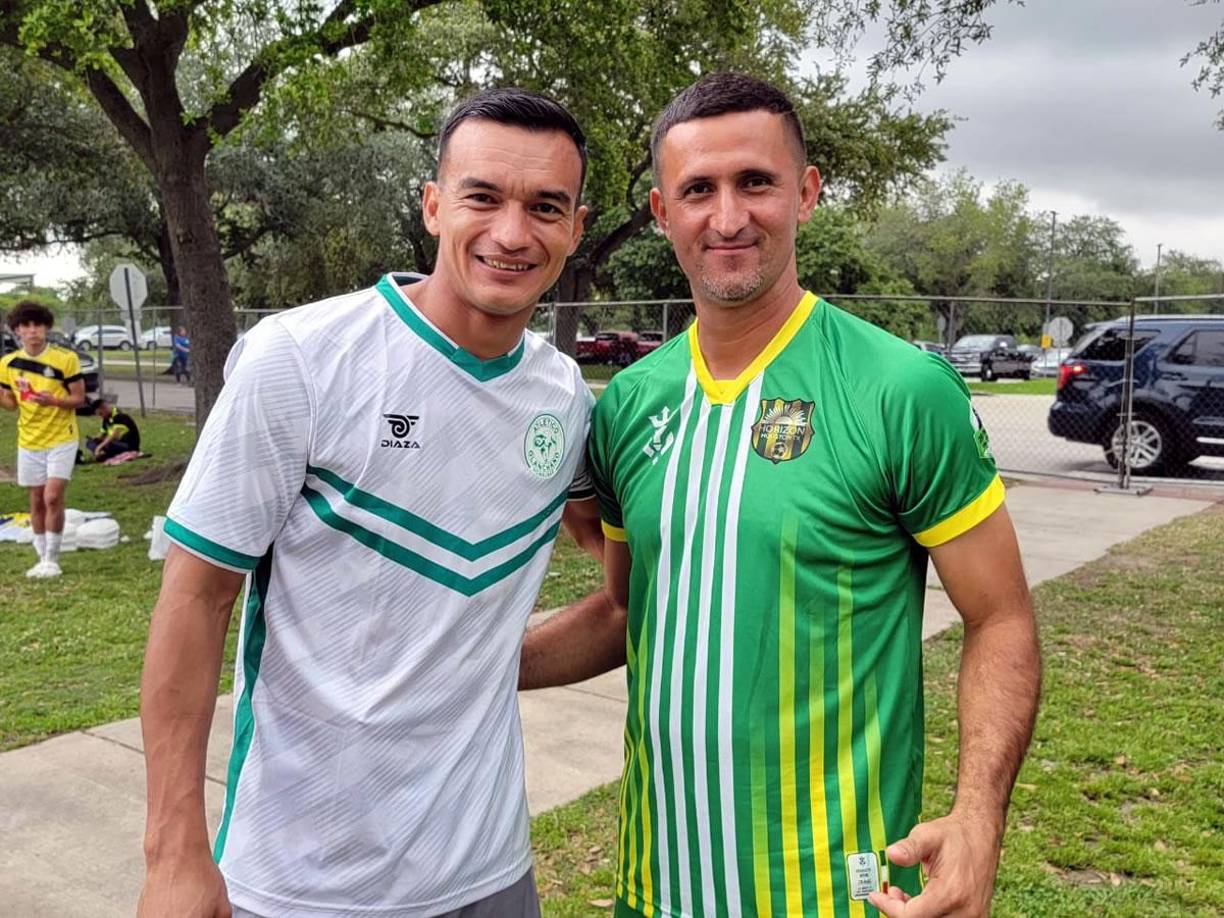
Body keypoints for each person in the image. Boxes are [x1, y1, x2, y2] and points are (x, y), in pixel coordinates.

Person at [519, 73, 1042, 918]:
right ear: (661, 212)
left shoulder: (899, 389)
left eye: (755, 182)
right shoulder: (629, 406)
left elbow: (1001, 617)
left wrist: (979, 818)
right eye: (699, 190)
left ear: (805, 192)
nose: (728, 217)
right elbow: (623, 611)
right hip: (657, 888)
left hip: (844, 893)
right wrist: (478, 664)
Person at [139, 88, 603, 918]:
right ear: (433, 206)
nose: (511, 232)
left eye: (545, 207)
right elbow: (196, 597)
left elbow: (619, 565)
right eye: (482, 197)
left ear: (575, 227)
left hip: (490, 872)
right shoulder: (301, 358)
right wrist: (174, 851)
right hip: (300, 882)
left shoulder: (564, 396)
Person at [0, 300, 86, 578]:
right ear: (16, 330)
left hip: (62, 437)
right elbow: (11, 404)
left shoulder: (65, 359)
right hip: (29, 440)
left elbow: (79, 398)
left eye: (37, 324)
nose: (32, 331)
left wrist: (55, 401)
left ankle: (52, 558)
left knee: (52, 496)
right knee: (36, 500)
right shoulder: (8, 364)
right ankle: (41, 557)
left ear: (47, 327)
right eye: (26, 325)